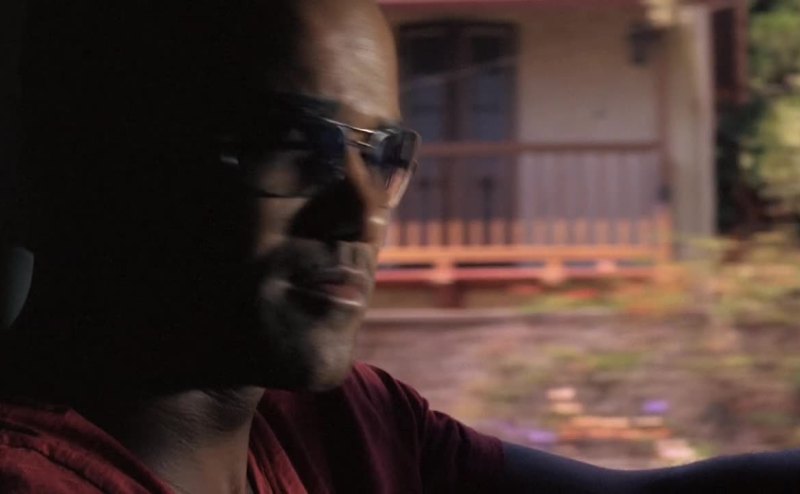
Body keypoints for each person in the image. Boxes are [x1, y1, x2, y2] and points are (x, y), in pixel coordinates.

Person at [0, 0, 799, 492]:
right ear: (84, 165)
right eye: (288, 141)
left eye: (384, 154)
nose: (362, 210)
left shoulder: (341, 426)